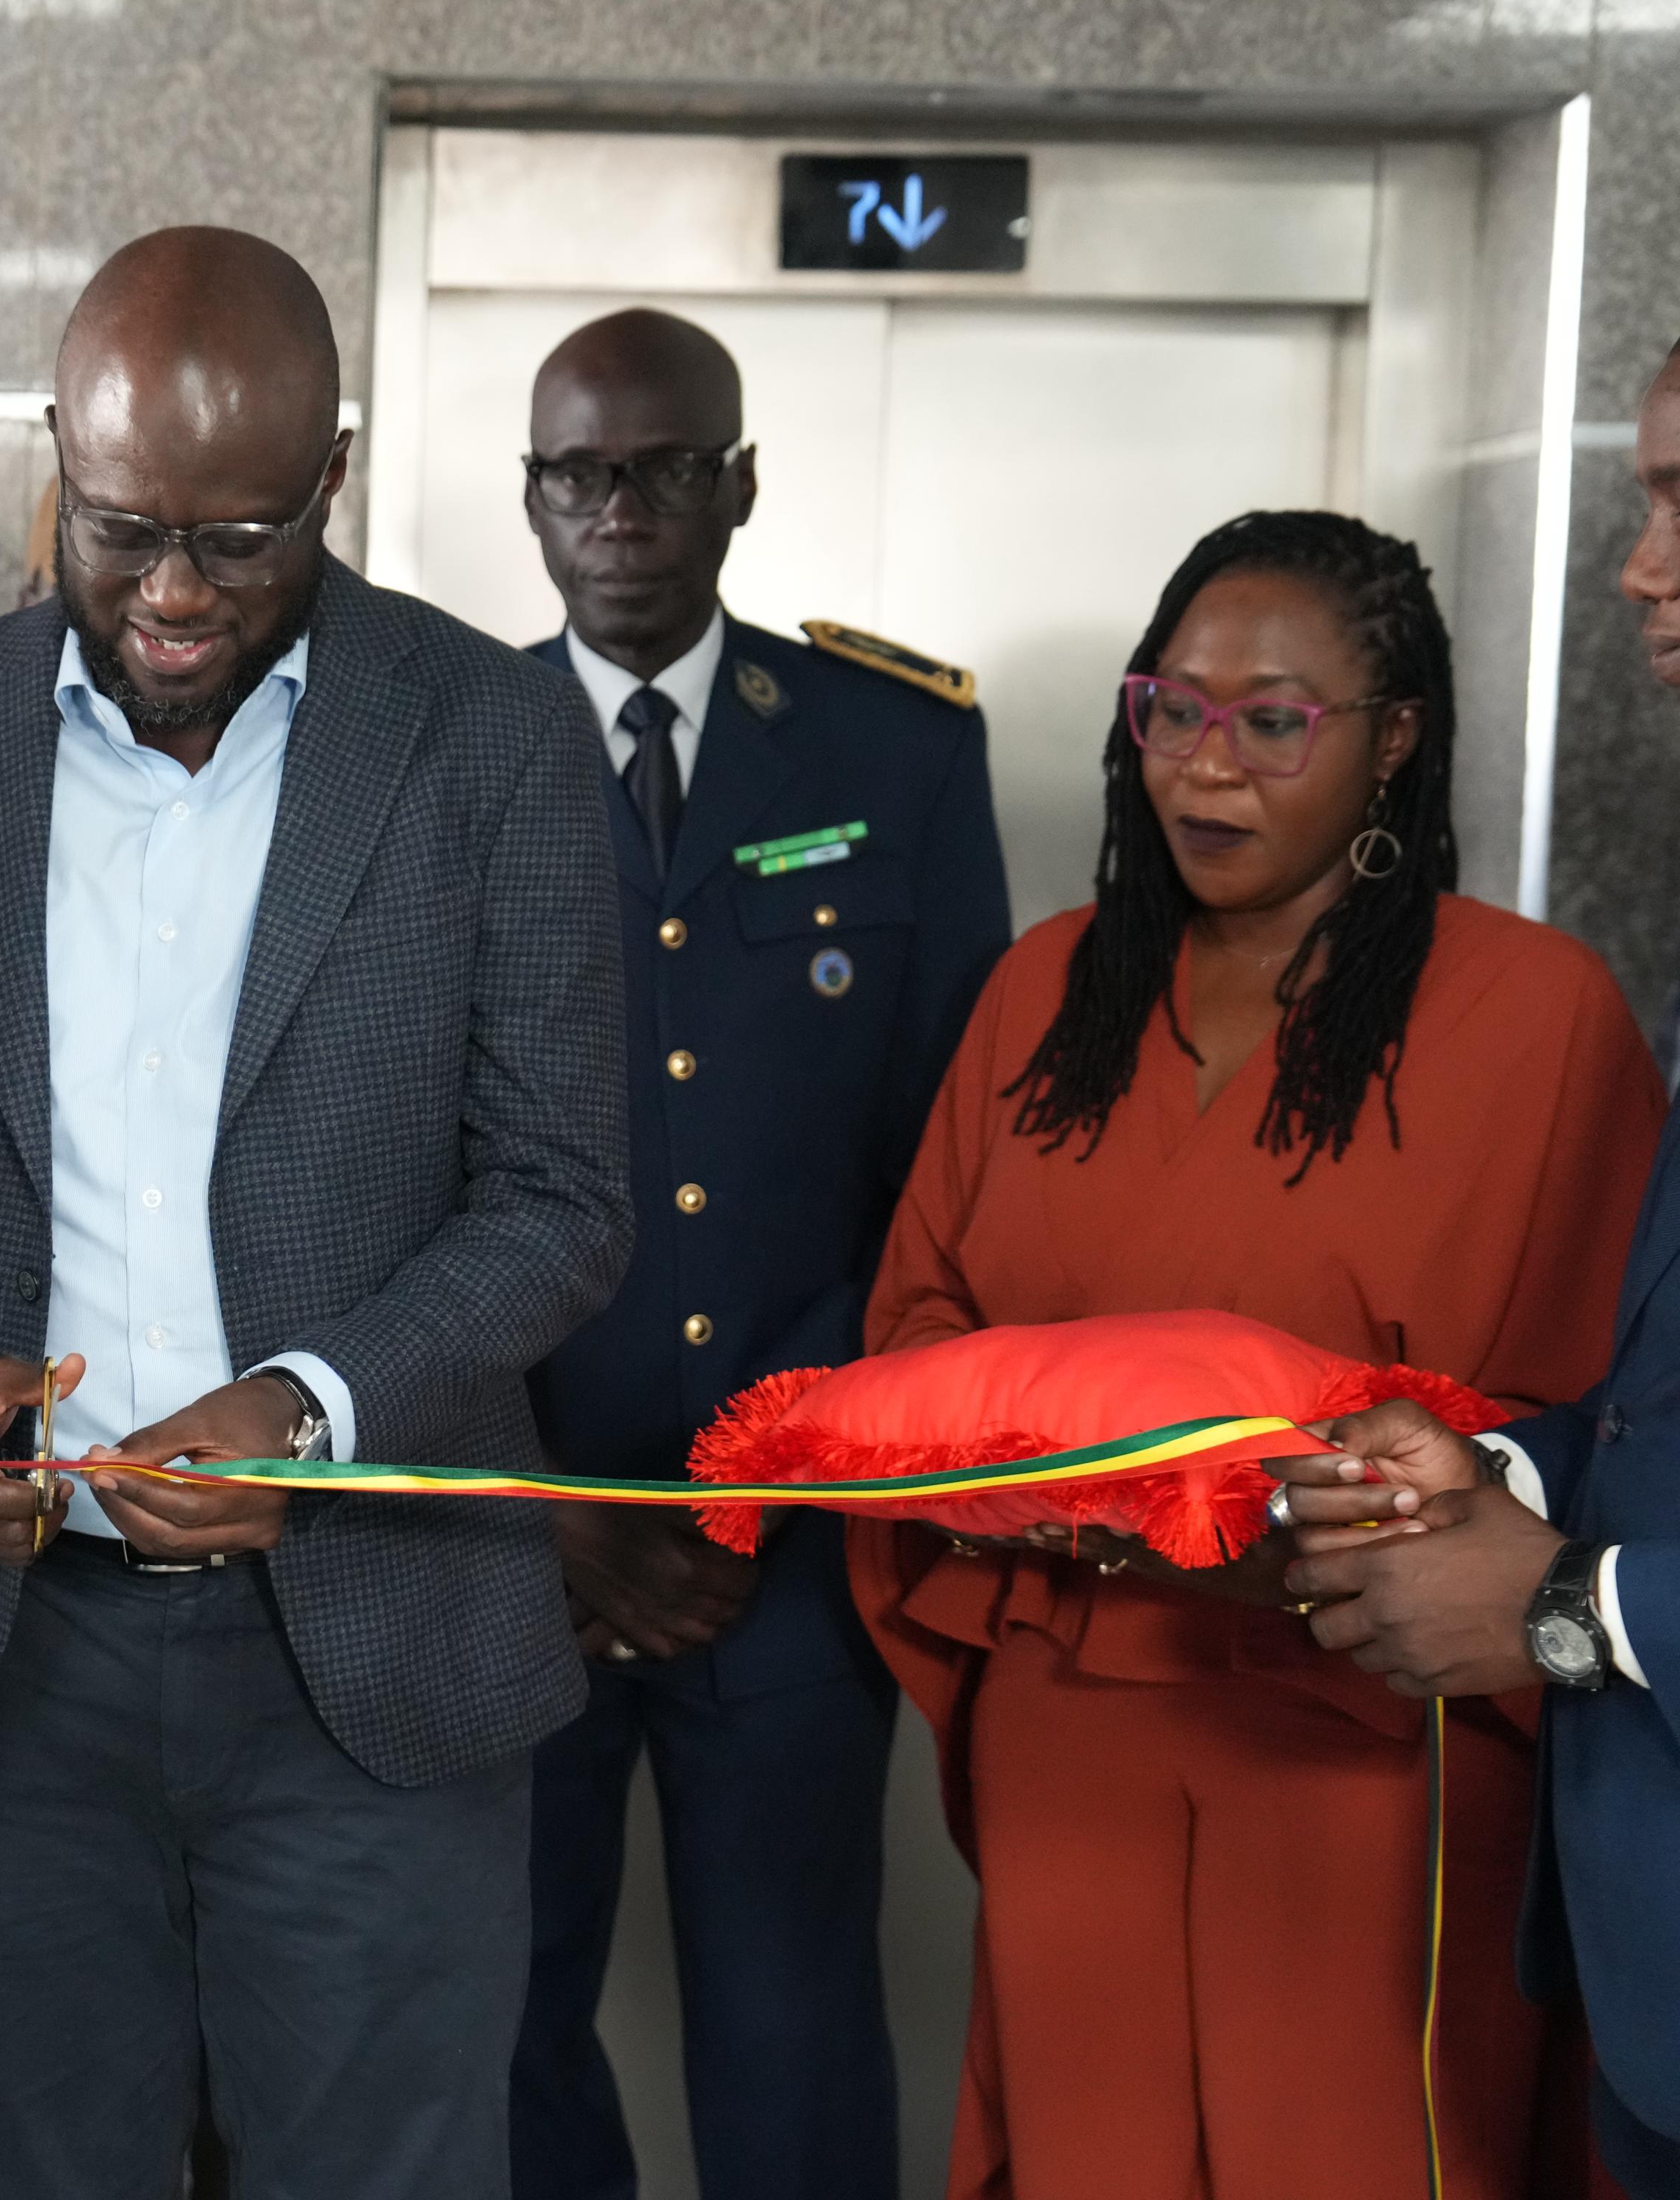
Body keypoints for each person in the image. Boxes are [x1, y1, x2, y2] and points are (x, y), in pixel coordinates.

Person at [0, 225, 635, 2198]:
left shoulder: (490, 737)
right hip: (15, 1670)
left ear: (331, 472)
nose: (169, 593)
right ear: (54, 449)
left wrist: (310, 1406)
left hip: (372, 1666)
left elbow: (562, 1199)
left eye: (237, 541)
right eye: (121, 523)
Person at [850, 508, 1661, 2199]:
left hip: (1371, 1749)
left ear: (1394, 745)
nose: (1202, 768)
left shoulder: (1534, 1016)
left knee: (1357, 2151)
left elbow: (1589, 1428)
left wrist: (1303, 1537)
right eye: (1172, 710)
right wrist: (1077, 1514)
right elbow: (914, 1333)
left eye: (1274, 720)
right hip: (1071, 1724)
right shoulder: (1041, 996)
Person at [507, 307, 1010, 2200]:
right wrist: (545, 1502)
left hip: (790, 1539)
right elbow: (382, 1167)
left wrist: (761, 1485)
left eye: (660, 470)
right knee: (506, 2024)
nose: (618, 511)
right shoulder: (431, 755)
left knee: (793, 2034)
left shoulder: (898, 746)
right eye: (578, 474)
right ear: (531, 501)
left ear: (739, 486)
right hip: (517, 1523)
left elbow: (950, 1171)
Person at [1285, 345, 1680, 2196]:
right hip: (1643, 1945)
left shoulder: (1542, 1004)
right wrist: (1504, 1474)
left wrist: (1570, 1607)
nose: (1637, 568)